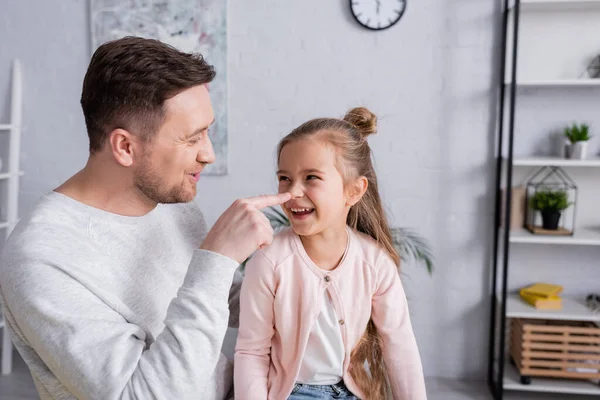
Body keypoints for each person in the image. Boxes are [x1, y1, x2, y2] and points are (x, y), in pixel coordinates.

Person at [0, 36, 290, 400]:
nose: (208, 154)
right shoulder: (42, 258)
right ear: (125, 147)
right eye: (192, 138)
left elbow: (200, 299)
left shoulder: (172, 201)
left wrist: (296, 283)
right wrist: (217, 260)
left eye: (208, 131)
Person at [234, 107, 427, 400]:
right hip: (291, 393)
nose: (293, 192)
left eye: (311, 177)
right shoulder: (269, 261)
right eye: (284, 178)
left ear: (353, 191)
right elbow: (251, 350)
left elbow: (399, 346)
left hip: (350, 391)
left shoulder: (374, 262)